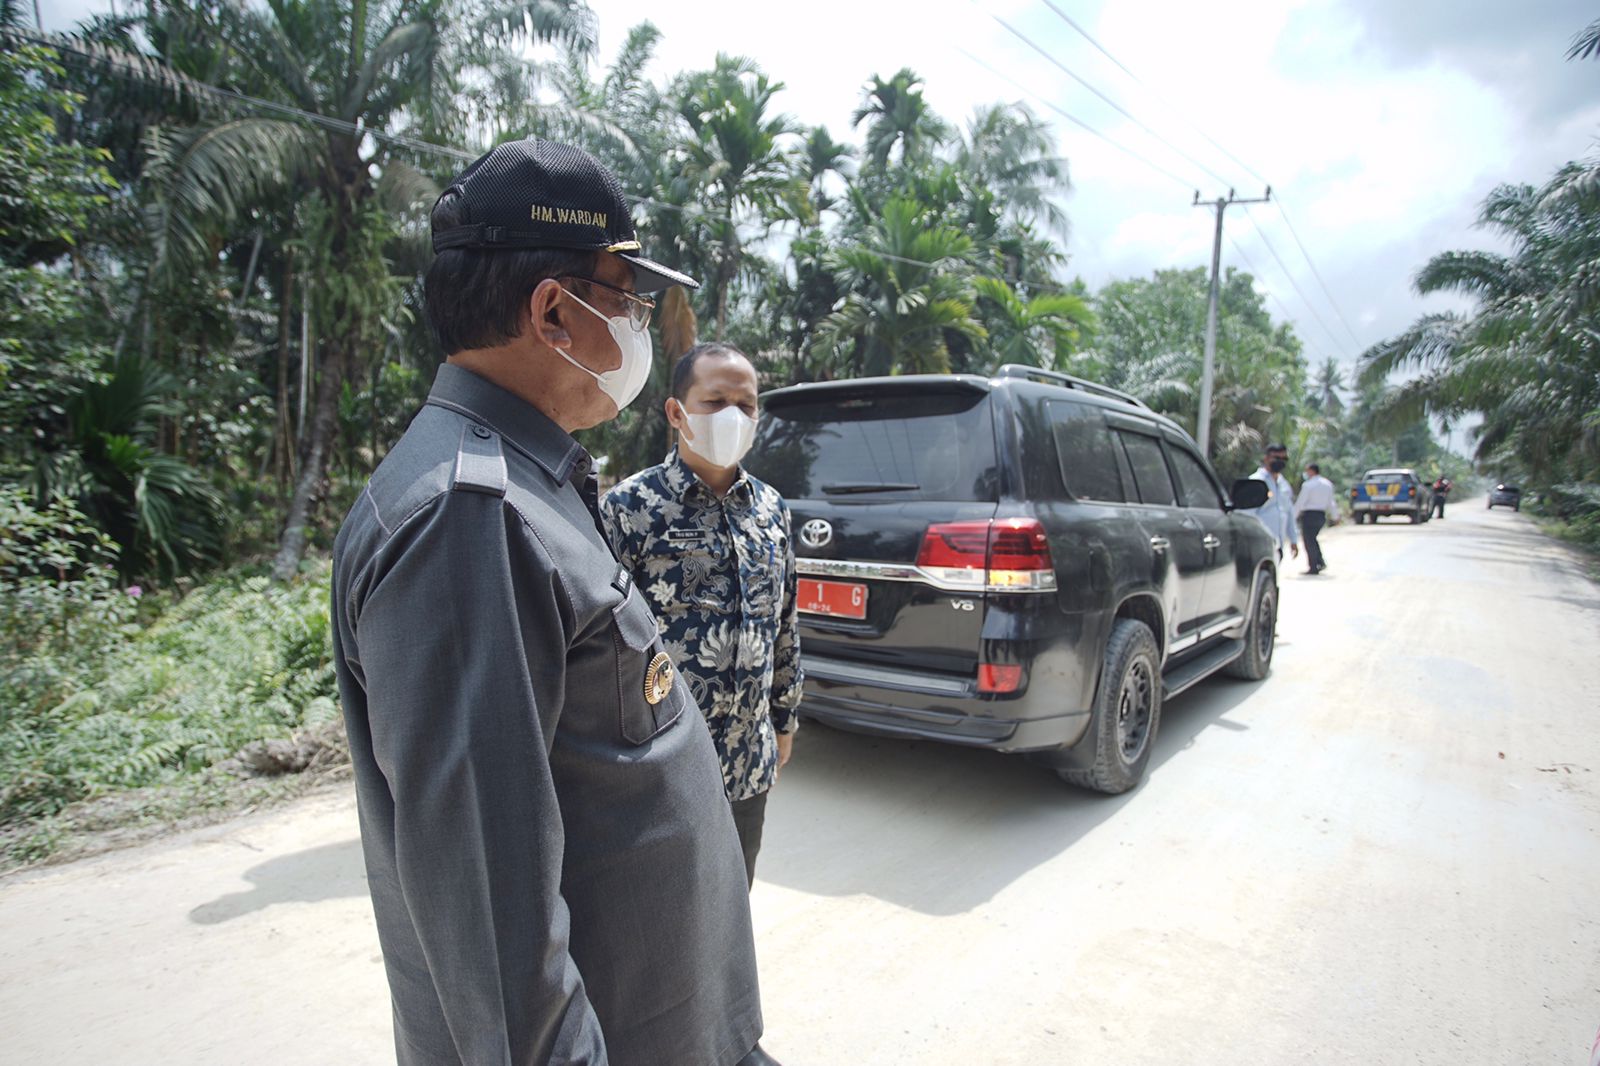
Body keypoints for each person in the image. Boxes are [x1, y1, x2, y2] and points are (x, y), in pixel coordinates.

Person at [330, 139, 779, 1066]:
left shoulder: (527, 484)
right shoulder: (467, 519)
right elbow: (496, 932)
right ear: (553, 313)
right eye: (627, 298)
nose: (641, 327)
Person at [600, 343, 802, 888]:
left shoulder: (772, 510)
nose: (733, 415)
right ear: (676, 412)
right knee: (662, 915)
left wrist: (783, 719)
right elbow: (599, 642)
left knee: (732, 904)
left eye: (746, 404)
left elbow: (784, 623)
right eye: (714, 402)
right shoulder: (630, 508)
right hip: (660, 767)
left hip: (747, 764)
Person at [1243, 443, 1300, 564]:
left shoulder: (1284, 484)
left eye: (1284, 459)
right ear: (1266, 458)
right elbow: (1247, 516)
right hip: (1259, 545)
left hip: (1278, 545)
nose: (1281, 462)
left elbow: (1289, 513)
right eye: (1277, 458)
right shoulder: (1256, 482)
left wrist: (1293, 540)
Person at [1296, 462, 1335, 575]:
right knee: (1312, 539)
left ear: (1312, 471)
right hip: (1321, 515)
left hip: (1309, 515)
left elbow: (1300, 502)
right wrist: (1335, 516)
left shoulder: (1308, 485)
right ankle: (1320, 562)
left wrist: (1293, 516)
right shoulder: (1327, 484)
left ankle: (1313, 566)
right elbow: (1331, 502)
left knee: (1309, 541)